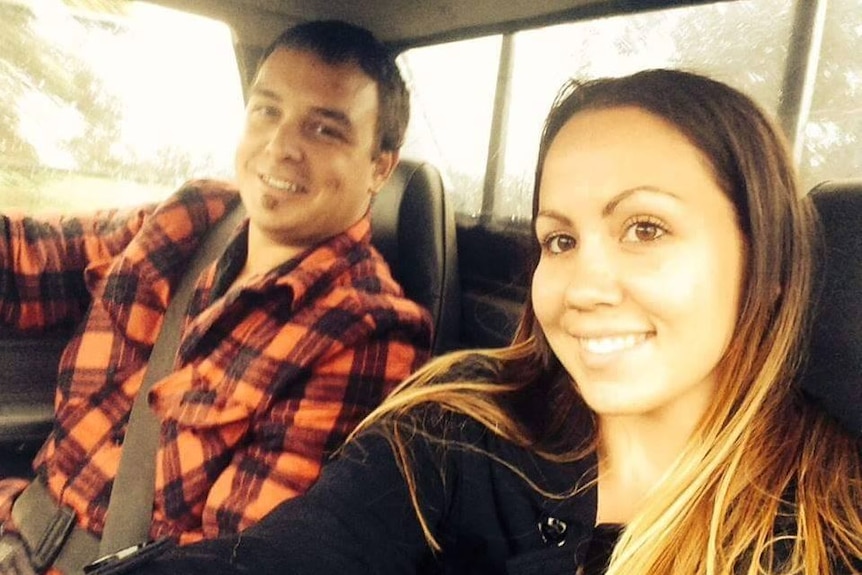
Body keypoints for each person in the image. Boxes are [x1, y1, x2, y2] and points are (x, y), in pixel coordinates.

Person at [100, 69, 862, 575]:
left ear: (762, 254)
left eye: (645, 228)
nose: (582, 287)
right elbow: (296, 554)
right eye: (559, 239)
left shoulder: (833, 523)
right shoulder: (457, 425)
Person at [0, 19, 432, 575]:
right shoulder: (192, 215)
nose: (280, 147)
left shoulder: (366, 332)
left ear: (379, 168)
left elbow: (233, 562)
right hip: (18, 520)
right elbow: (33, 259)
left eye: (325, 130)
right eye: (267, 111)